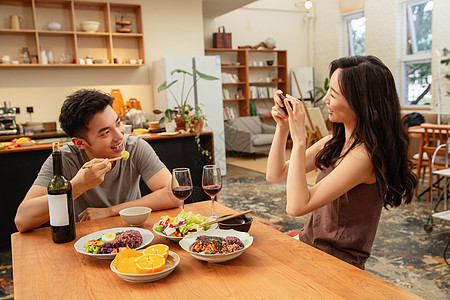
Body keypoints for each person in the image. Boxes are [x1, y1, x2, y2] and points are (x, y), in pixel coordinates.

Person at [266, 56, 417, 269]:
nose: (326, 99)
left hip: (335, 264)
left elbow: (296, 206)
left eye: (334, 94)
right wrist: (282, 128)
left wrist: (299, 140)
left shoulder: (364, 157)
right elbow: (276, 174)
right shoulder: (334, 143)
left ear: (361, 102)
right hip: (309, 247)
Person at [15, 89, 180, 232]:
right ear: (80, 143)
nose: (119, 135)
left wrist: (109, 212)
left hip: (133, 233)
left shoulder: (134, 146)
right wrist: (78, 185)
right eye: (105, 132)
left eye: (118, 123)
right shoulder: (66, 158)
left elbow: (174, 194)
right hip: (86, 240)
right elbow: (22, 220)